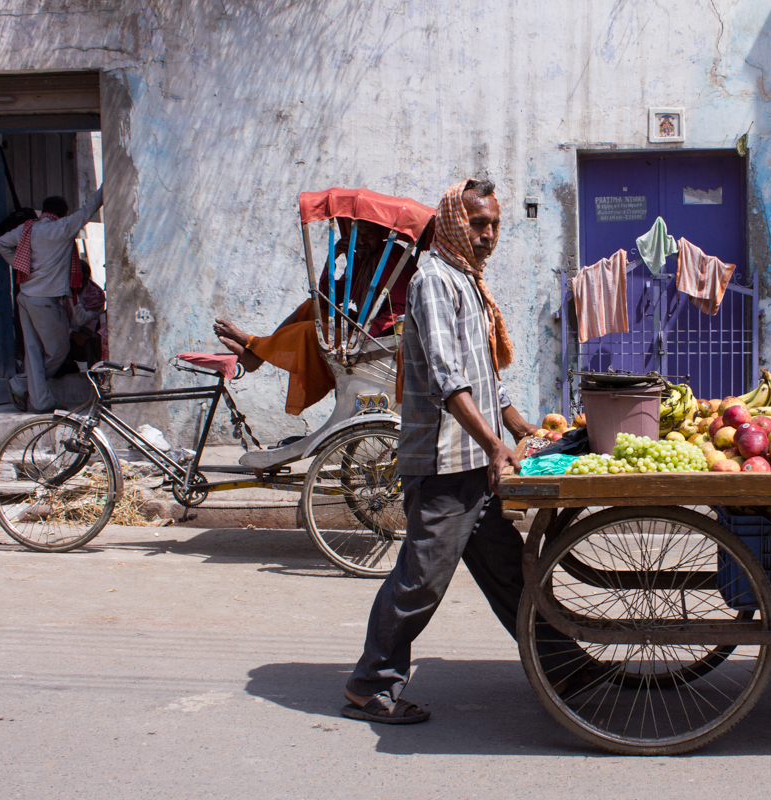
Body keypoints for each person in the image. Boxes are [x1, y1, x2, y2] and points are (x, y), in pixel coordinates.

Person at [342, 178, 561, 724]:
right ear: (453, 223)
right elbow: (448, 377)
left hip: (474, 463)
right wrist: (494, 444)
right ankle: (371, 684)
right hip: (445, 464)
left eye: (494, 225)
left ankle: (562, 663)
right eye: (478, 224)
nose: (488, 235)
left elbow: (485, 375)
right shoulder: (434, 281)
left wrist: (517, 427)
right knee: (420, 581)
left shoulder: (469, 281)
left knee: (511, 572)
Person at [213, 222, 408, 415]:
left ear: (381, 234)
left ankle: (254, 349)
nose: (362, 240)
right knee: (309, 308)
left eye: (369, 233)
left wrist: (363, 336)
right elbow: (325, 301)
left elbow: (400, 309)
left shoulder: (389, 256)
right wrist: (333, 259)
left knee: (310, 332)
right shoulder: (362, 260)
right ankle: (256, 353)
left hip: (381, 339)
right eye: (358, 234)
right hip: (364, 330)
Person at [0, 188, 103, 412]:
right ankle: (23, 384)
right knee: (59, 350)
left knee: (33, 350)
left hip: (25, 296)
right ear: (63, 214)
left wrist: (20, 264)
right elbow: (88, 209)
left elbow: (0, 243)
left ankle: (38, 399)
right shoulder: (61, 228)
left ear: (43, 211)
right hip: (44, 300)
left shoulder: (27, 229)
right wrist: (105, 187)